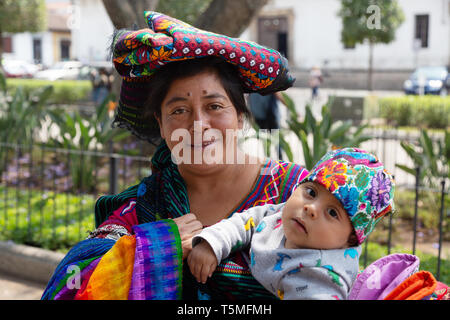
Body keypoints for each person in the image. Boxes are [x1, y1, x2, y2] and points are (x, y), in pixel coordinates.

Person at [41, 11, 305, 300]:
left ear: (240, 117)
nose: (198, 125)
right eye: (179, 110)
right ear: (161, 124)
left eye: (215, 106)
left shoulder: (296, 194)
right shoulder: (143, 207)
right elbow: (69, 287)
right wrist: (159, 245)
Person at [188, 148, 395, 300]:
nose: (311, 208)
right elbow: (245, 222)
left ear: (350, 240)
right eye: (311, 192)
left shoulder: (321, 276)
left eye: (332, 212)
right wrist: (212, 243)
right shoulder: (281, 215)